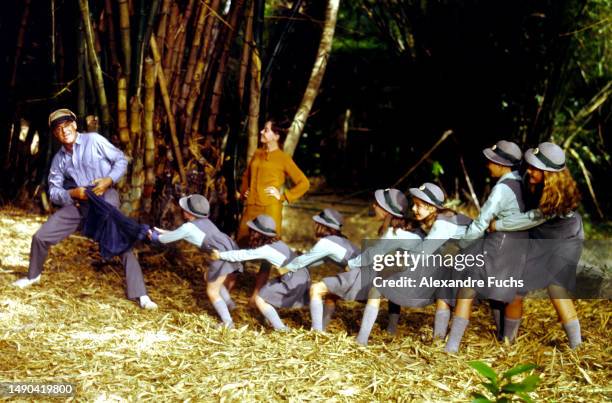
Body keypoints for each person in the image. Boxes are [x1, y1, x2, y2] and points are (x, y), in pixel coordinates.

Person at [12, 108, 157, 309]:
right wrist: (72, 194)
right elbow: (54, 191)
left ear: (74, 125)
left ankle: (141, 295)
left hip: (105, 197)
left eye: (66, 126)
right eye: (58, 129)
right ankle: (33, 276)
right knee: (41, 236)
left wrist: (109, 179)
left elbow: (121, 159)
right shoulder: (59, 160)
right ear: (55, 134)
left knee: (119, 241)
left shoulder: (94, 140)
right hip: (79, 203)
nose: (63, 131)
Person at [491, 142, 584, 349]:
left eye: (536, 169)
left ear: (550, 175)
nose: (530, 171)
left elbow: (530, 219)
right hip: (540, 238)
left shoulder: (559, 196)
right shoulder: (527, 180)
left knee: (555, 287)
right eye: (530, 166)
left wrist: (498, 224)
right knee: (515, 290)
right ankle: (507, 343)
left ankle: (576, 346)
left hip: (565, 239)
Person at [354, 184, 470, 346]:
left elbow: (420, 255)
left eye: (419, 205)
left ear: (431, 208)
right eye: (414, 204)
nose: (414, 209)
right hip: (456, 260)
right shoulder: (439, 219)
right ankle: (440, 343)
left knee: (380, 285)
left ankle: (362, 340)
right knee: (443, 296)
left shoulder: (441, 225)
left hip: (468, 262)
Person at [444, 140, 528, 353]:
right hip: (521, 247)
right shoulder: (524, 183)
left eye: (491, 161)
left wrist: (461, 244)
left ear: (501, 164)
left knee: (467, 287)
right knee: (507, 292)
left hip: (499, 244)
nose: (488, 165)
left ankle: (451, 346)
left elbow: (481, 223)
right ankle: (507, 344)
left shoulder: (502, 189)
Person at [237, 120, 310, 306]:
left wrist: (284, 196)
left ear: (276, 136)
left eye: (266, 130)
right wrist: (243, 191)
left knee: (268, 253)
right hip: (251, 207)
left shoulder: (283, 158)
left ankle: (256, 296)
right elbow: (246, 175)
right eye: (263, 128)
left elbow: (304, 183)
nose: (262, 131)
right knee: (241, 244)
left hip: (271, 210)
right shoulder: (257, 153)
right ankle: (228, 285)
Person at [149, 194, 242, 328]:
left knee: (212, 291)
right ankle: (229, 304)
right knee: (209, 277)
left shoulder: (188, 228)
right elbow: (177, 234)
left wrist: (155, 237)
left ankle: (228, 322)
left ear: (187, 213)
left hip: (220, 257)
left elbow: (165, 240)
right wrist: (162, 231)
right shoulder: (205, 222)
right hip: (229, 250)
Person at [211, 214, 297, 331]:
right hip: (296, 275)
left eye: (252, 231)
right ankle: (271, 321)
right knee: (266, 296)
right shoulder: (277, 244)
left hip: (293, 279)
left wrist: (220, 255)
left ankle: (281, 329)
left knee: (260, 298)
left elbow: (243, 255)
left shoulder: (266, 250)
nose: (250, 233)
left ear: (257, 234)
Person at [281, 208, 360, 331]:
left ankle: (317, 332)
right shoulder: (340, 240)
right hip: (367, 275)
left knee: (316, 289)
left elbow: (301, 262)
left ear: (322, 227)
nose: (314, 226)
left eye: (316, 224)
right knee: (330, 295)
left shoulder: (326, 243)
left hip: (361, 278)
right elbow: (313, 261)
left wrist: (282, 265)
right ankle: (322, 329)